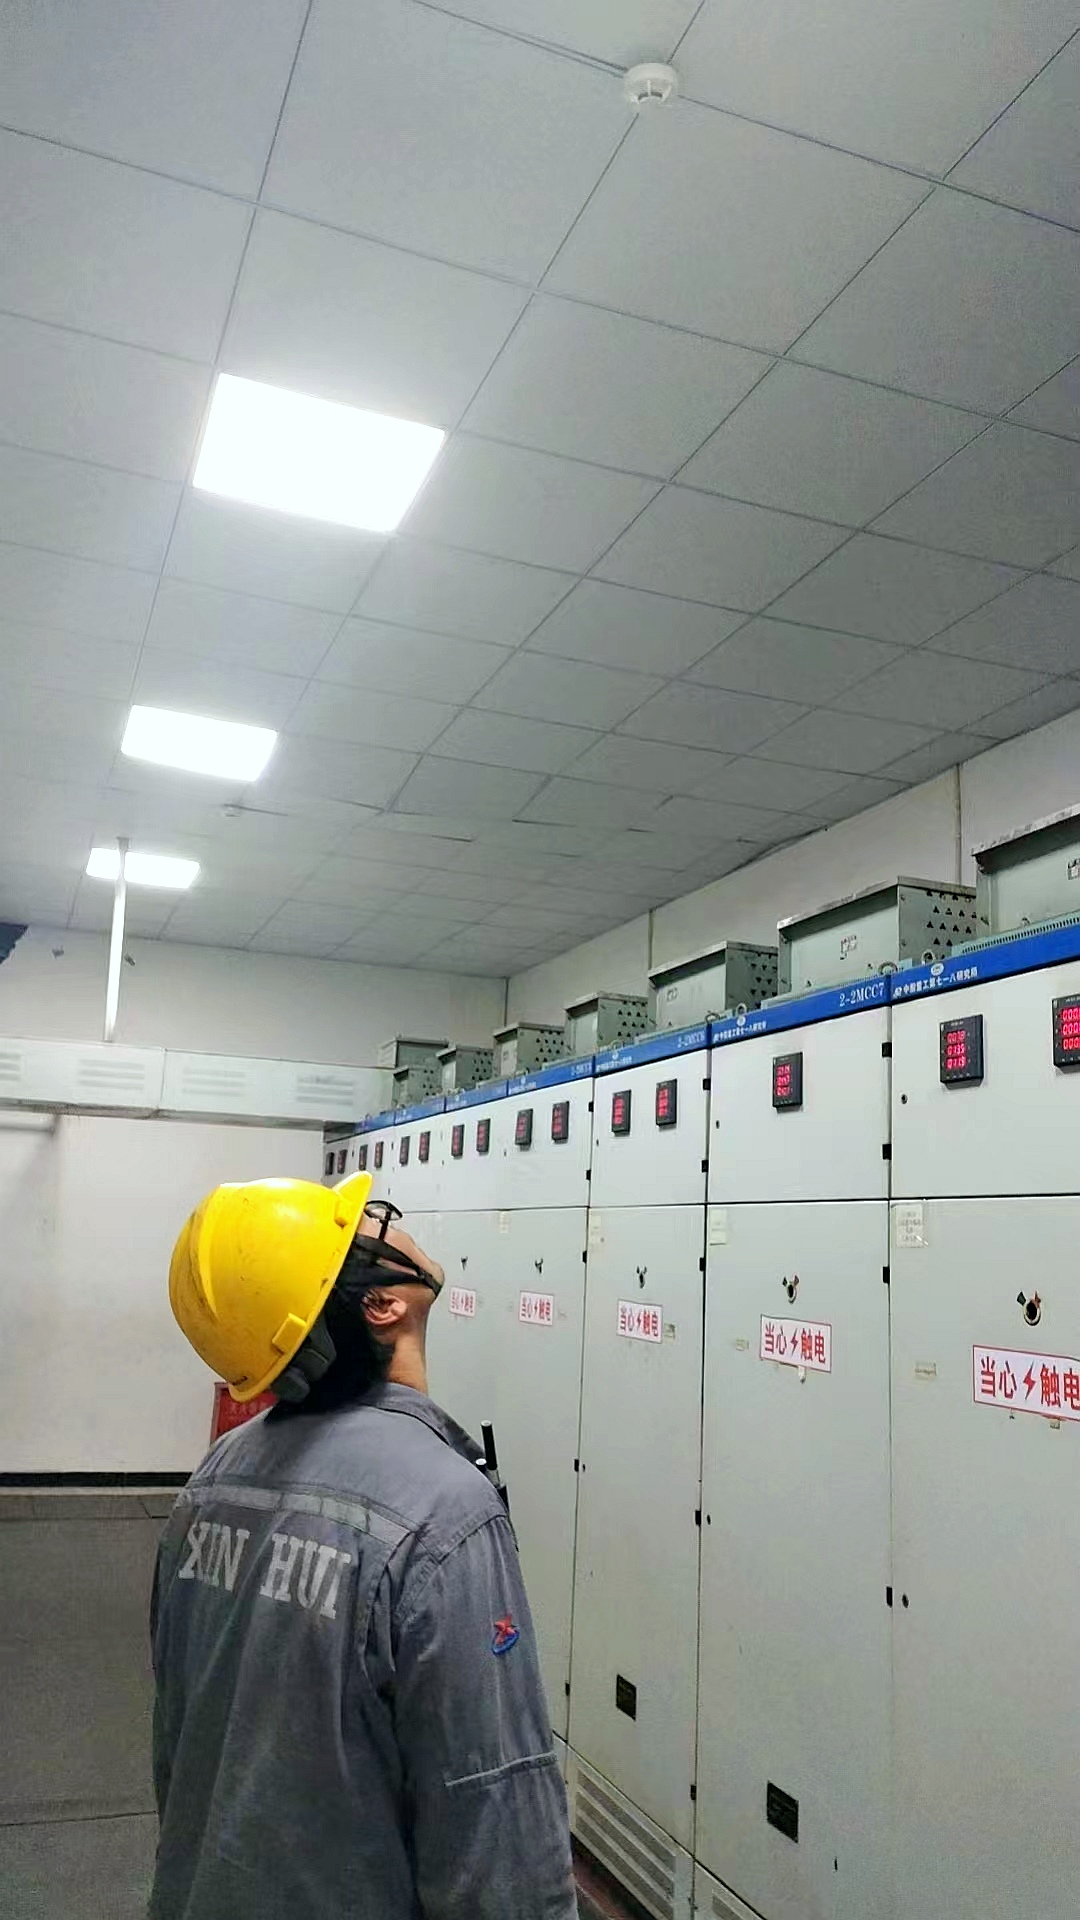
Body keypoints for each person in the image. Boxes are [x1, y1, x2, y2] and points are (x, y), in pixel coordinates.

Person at [153, 1170, 578, 1920]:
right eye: (365, 1227)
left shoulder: (214, 1479)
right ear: (382, 1304)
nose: (387, 1223)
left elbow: (180, 1747)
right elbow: (495, 1828)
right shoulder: (444, 1512)